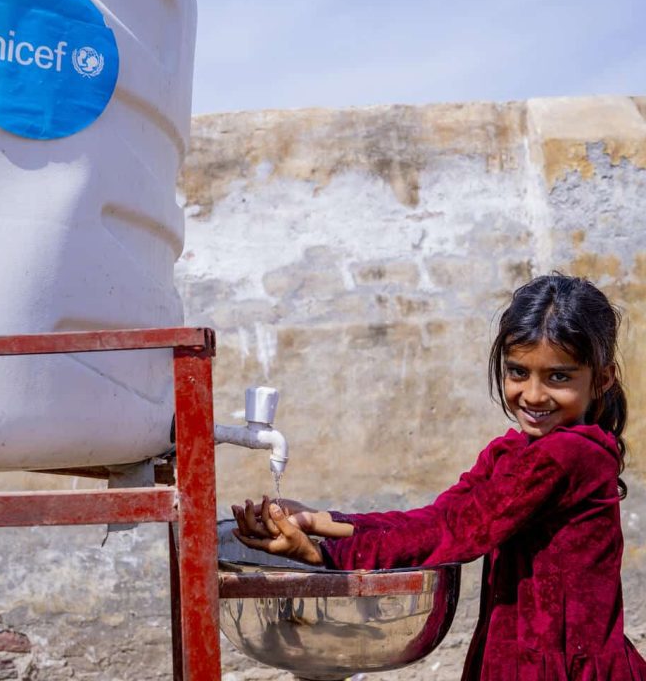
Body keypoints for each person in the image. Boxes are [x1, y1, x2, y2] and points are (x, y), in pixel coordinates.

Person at [232, 273, 646, 680]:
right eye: (518, 372)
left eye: (559, 377)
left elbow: (456, 532)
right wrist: (318, 520)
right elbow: (438, 516)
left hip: (558, 664)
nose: (534, 395)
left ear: (602, 379)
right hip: (522, 653)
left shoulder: (568, 455)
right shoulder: (515, 452)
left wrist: (322, 555)